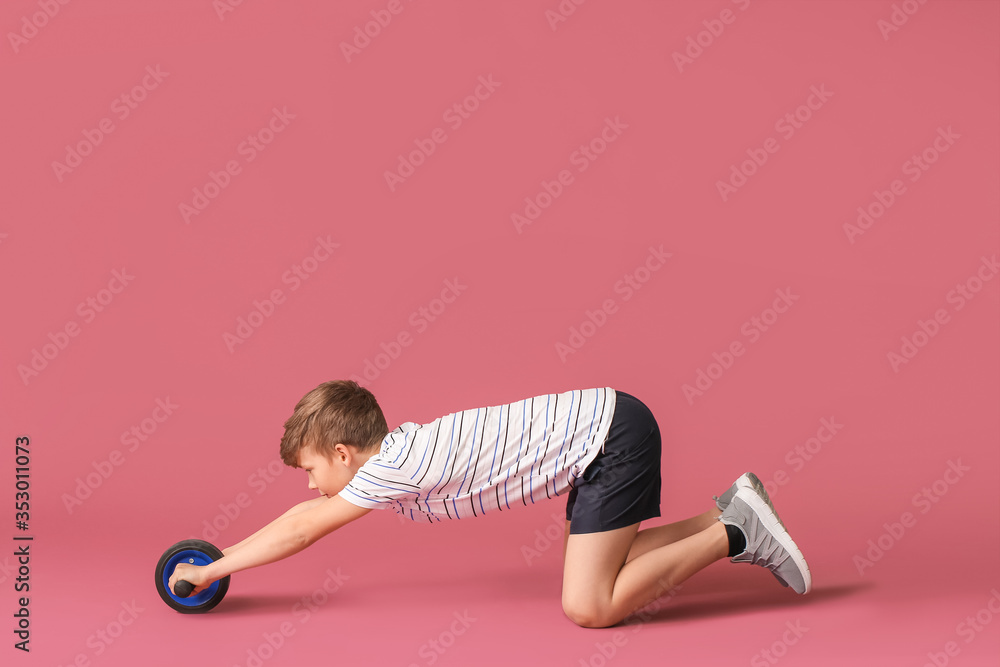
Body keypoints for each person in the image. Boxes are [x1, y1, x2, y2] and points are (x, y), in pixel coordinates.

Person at [169, 381, 811, 627]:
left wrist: (213, 570)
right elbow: (301, 517)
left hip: (611, 437)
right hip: (604, 433)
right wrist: (222, 557)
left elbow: (303, 529)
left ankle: (736, 533)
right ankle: (726, 509)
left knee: (589, 605)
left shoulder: (390, 466)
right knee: (603, 567)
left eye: (311, 470)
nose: (309, 486)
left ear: (343, 452)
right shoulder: (394, 456)